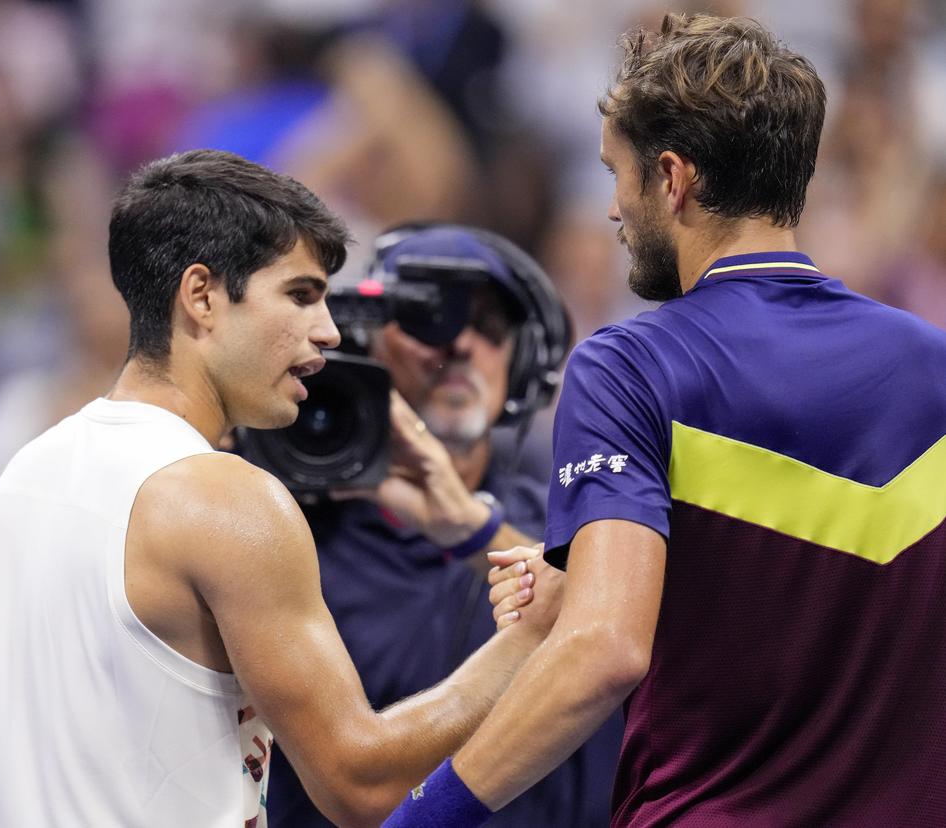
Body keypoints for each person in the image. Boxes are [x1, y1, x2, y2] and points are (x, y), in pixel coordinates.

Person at [385, 13, 946, 827]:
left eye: (616, 172)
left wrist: (420, 820)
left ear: (673, 179)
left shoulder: (629, 366)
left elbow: (604, 648)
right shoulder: (934, 363)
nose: (612, 208)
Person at [0, 149, 564, 828]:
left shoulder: (20, 479)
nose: (330, 331)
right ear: (201, 296)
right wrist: (530, 638)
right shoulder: (228, 500)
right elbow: (360, 783)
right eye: (300, 295)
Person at [262, 224, 623, 827]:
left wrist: (473, 530)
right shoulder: (285, 534)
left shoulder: (582, 516)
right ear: (364, 348)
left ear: (524, 361)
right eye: (428, 320)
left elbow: (619, 622)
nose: (458, 345)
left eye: (487, 327)